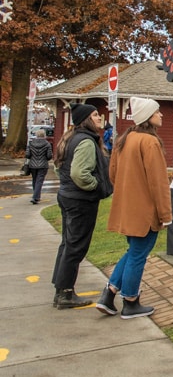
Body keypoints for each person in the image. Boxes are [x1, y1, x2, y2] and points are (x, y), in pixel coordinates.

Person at [97, 97, 172, 319]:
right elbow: (158, 182)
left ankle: (109, 294)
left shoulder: (124, 139)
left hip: (127, 207)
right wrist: (165, 214)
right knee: (139, 254)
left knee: (133, 252)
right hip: (145, 211)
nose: (162, 115)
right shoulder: (149, 142)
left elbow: (113, 174)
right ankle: (130, 301)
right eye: (157, 112)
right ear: (148, 117)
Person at [51, 103, 112, 309]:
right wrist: (95, 186)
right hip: (80, 200)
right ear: (86, 119)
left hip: (67, 195)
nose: (99, 118)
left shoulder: (69, 138)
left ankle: (61, 289)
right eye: (95, 115)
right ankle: (66, 293)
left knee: (67, 243)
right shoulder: (86, 142)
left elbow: (58, 166)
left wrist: (67, 184)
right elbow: (79, 173)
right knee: (76, 246)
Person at [26, 128, 53, 204]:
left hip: (32, 165)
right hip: (43, 165)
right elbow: (49, 156)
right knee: (39, 181)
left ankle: (35, 195)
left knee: (34, 180)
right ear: (44, 135)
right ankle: (36, 197)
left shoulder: (31, 143)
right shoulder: (47, 144)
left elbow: (27, 155)